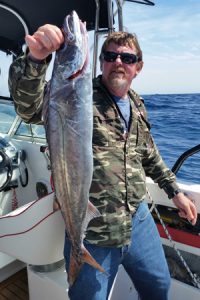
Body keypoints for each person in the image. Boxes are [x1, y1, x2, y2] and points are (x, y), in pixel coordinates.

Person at [8, 25, 197, 300]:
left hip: (138, 221)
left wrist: (174, 192)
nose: (118, 62)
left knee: (159, 289)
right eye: (110, 56)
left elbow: (148, 153)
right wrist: (36, 60)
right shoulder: (75, 94)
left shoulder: (136, 103)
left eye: (127, 58)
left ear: (138, 66)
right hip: (94, 234)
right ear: (101, 62)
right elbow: (29, 106)